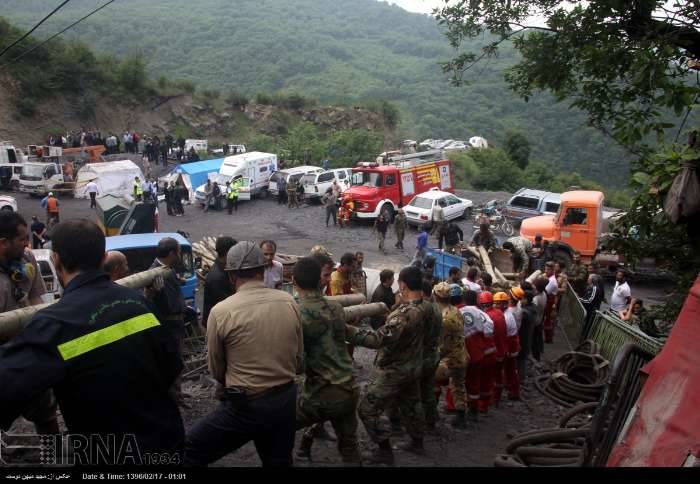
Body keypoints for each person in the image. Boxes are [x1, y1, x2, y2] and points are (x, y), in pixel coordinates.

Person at [0, 220, 185, 464]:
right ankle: (52, 458)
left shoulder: (54, 326)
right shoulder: (140, 304)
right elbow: (171, 366)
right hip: (166, 446)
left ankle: (53, 460)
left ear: (56, 261)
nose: (25, 244)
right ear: (104, 257)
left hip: (106, 455)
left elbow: (8, 388)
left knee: (47, 420)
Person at [185, 242, 303, 467]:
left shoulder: (222, 312)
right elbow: (299, 357)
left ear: (231, 276)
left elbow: (216, 368)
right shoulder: (289, 302)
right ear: (263, 270)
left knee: (190, 450)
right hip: (285, 399)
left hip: (246, 405)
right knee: (278, 461)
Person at [345, 266, 427, 465]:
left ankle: (384, 450)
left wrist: (347, 329)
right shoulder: (424, 307)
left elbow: (378, 339)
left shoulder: (404, 314)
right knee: (411, 404)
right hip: (413, 365)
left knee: (366, 409)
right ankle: (418, 442)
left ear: (403, 284)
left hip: (395, 370)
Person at [293, 258, 362, 465]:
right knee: (349, 445)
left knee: (275, 427)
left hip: (321, 394)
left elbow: (297, 363)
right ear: (321, 281)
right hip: (349, 387)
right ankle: (305, 448)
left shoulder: (296, 313)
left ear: (294, 281)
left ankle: (300, 451)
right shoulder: (336, 309)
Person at [0, 212, 57, 437]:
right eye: (22, 239)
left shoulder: (27, 259)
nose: (27, 244)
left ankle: (54, 460)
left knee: (46, 413)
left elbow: (36, 299)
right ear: (4, 242)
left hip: (27, 351)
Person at [146, 237, 187, 407]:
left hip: (175, 324)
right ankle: (173, 397)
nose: (179, 256)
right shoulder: (155, 273)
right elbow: (156, 299)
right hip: (168, 326)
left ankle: (178, 393)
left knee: (178, 359)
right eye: (178, 252)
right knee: (172, 361)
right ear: (171, 253)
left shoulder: (167, 270)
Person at [433, 282, 468, 428]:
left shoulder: (442, 318)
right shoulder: (456, 310)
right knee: (458, 386)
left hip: (447, 360)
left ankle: (431, 414)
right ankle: (461, 416)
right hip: (462, 355)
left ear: (435, 296)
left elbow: (441, 344)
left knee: (432, 383)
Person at [459, 290, 494, 421]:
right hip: (479, 353)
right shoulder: (482, 314)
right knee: (475, 382)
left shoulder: (459, 313)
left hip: (464, 353)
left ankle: (461, 411)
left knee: (460, 383)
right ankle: (475, 409)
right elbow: (489, 331)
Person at [419, 280, 443, 430]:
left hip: (423, 355)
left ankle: (418, 425)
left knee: (418, 391)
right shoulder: (436, 308)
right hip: (433, 354)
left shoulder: (424, 309)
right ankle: (431, 420)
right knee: (428, 389)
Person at [202, 237, 236, 327]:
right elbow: (227, 303)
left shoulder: (223, 268)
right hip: (217, 323)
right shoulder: (217, 277)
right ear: (229, 252)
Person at [516, 285, 538, 384]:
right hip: (527, 338)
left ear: (526, 299)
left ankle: (521, 379)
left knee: (521, 360)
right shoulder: (532, 307)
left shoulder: (526, 312)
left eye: (522, 299)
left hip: (524, 339)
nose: (520, 300)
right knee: (522, 359)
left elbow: (520, 314)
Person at [531, 276, 548, 361]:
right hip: (540, 319)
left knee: (534, 342)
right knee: (537, 339)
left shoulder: (535, 299)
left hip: (535, 322)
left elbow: (532, 312)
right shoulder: (544, 294)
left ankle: (536, 359)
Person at [543, 261, 559, 344]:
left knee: (548, 320)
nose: (545, 271)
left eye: (548, 269)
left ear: (553, 270)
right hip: (548, 301)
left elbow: (545, 291)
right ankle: (548, 338)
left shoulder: (552, 281)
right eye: (545, 269)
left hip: (549, 302)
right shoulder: (549, 278)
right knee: (547, 320)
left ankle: (548, 339)